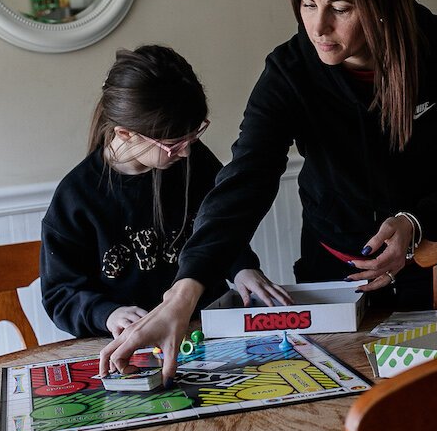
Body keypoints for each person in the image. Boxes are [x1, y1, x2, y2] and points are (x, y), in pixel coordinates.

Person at [101, 0, 437, 381]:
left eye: (341, 7)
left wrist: (417, 223)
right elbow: (246, 179)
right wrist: (184, 291)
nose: (318, 26)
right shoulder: (290, 71)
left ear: (381, 2)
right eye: (306, 3)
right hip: (332, 279)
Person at [40, 44, 286, 341]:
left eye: (193, 136)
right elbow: (60, 296)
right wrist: (107, 314)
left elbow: (222, 224)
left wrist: (240, 267)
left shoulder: (195, 159)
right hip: (134, 346)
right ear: (125, 134)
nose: (185, 152)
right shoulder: (76, 198)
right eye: (174, 143)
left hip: (209, 331)